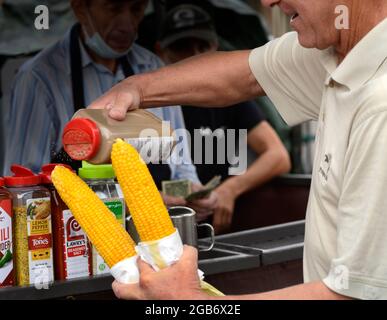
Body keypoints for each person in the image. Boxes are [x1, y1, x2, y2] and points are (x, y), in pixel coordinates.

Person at [90, 0, 387, 300]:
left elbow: (352, 296)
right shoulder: (340, 49)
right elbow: (243, 74)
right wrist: (135, 89)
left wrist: (193, 303)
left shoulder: (380, 105)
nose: (268, 2)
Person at [3, 0, 216, 212]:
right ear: (80, 9)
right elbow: (25, 192)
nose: (127, 25)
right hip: (76, 237)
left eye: (136, 9)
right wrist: (131, 200)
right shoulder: (39, 80)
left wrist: (195, 194)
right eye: (113, 8)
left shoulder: (152, 69)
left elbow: (181, 165)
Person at [156, 4, 291, 234]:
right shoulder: (153, 106)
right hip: (157, 228)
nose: (194, 57)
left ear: (215, 47)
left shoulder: (227, 99)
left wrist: (230, 190)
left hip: (213, 228)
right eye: (182, 47)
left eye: (203, 46)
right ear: (160, 52)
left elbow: (278, 156)